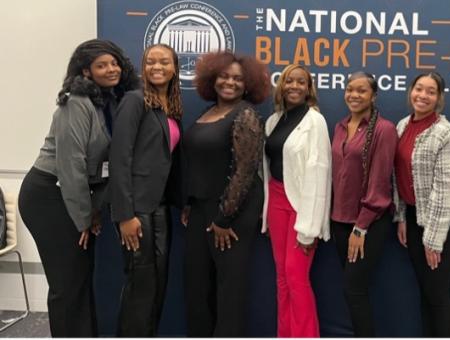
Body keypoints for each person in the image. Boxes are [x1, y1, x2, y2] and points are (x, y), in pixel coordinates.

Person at [18, 39, 138, 337]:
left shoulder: (106, 101)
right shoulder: (76, 103)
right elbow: (71, 168)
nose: (111, 69)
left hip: (73, 197)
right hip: (50, 196)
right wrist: (84, 218)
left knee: (80, 279)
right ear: (86, 72)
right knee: (67, 284)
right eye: (101, 65)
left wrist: (91, 210)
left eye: (114, 63)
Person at [181, 51, 271, 337]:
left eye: (238, 79)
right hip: (200, 209)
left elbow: (246, 171)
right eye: (224, 76)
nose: (229, 82)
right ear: (212, 78)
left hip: (232, 215)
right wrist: (190, 202)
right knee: (196, 287)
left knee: (229, 292)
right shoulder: (207, 112)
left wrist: (224, 218)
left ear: (248, 85)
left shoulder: (245, 115)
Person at [108, 44, 184, 336]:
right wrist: (125, 214)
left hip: (160, 207)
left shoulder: (171, 108)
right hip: (136, 210)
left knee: (157, 283)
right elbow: (120, 157)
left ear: (174, 67)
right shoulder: (134, 100)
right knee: (141, 284)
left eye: (164, 61)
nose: (157, 66)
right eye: (150, 61)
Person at [393, 72, 450, 337]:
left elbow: (446, 190)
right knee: (425, 290)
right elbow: (399, 178)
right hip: (414, 218)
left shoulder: (445, 132)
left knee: (437, 293)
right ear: (411, 91)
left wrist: (434, 240)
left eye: (430, 91)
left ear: (439, 98)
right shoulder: (403, 125)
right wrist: (402, 216)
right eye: (419, 89)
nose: (423, 96)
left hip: (445, 223)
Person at [262, 64, 332, 337]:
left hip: (302, 206)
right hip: (277, 201)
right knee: (282, 279)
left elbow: (320, 174)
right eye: (289, 81)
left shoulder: (315, 121)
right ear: (281, 85)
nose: (294, 86)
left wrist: (309, 228)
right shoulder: (273, 120)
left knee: (296, 277)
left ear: (308, 88)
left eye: (300, 82)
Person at [330, 71, 398, 337]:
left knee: (353, 289)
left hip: (367, 225)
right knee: (352, 291)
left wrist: (361, 227)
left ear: (373, 96)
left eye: (362, 91)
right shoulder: (339, 126)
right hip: (339, 222)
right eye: (350, 89)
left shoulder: (384, 129)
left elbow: (380, 182)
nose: (354, 95)